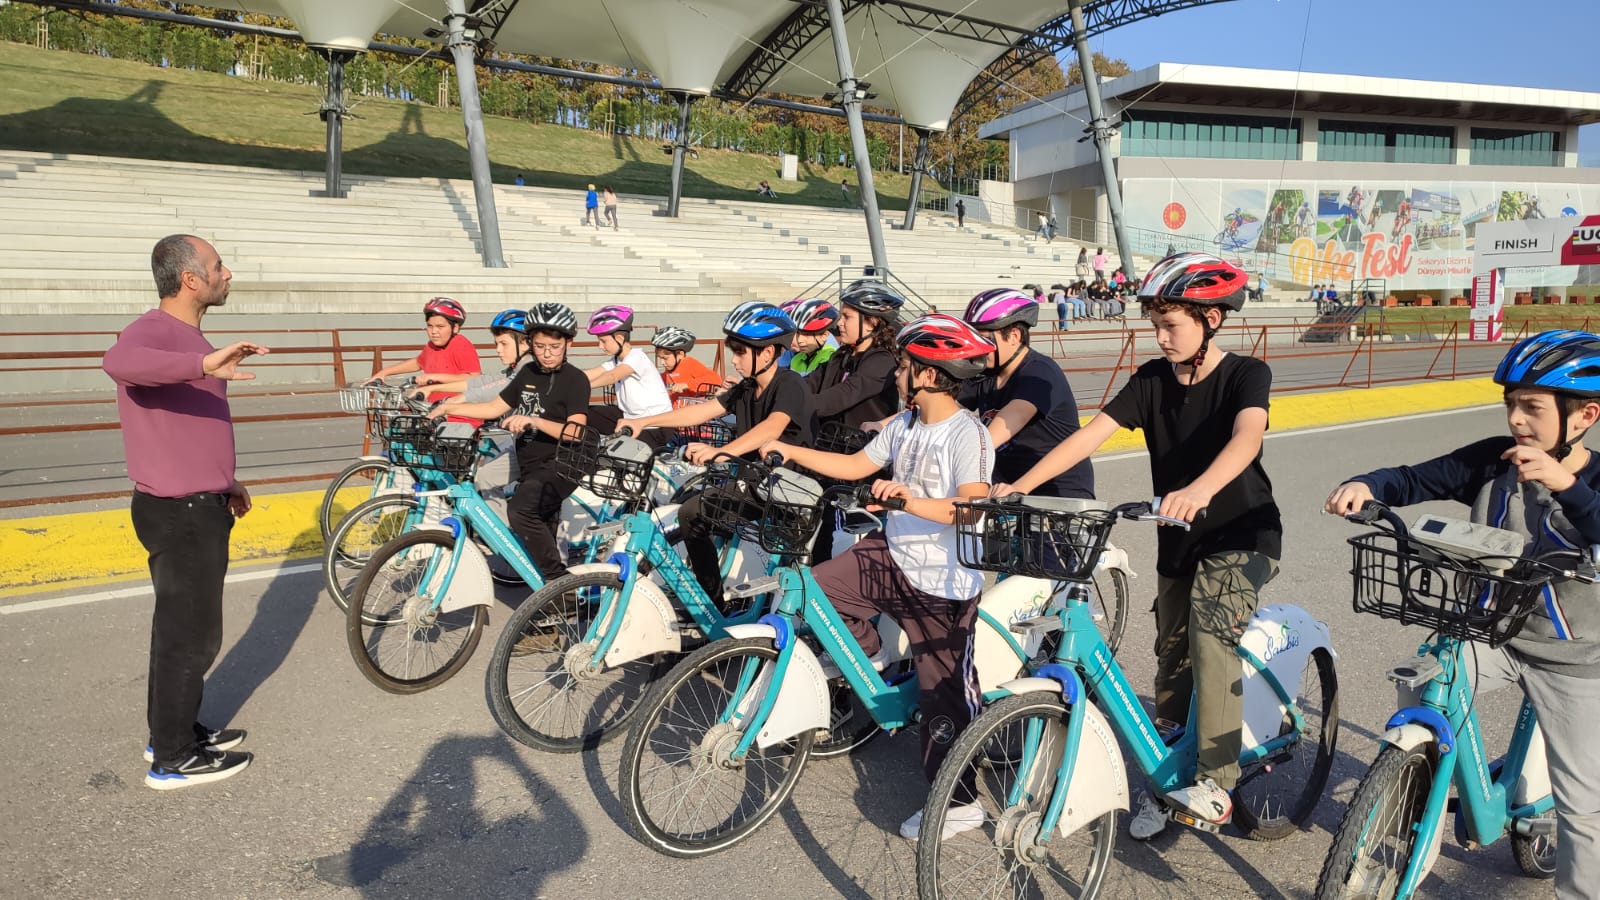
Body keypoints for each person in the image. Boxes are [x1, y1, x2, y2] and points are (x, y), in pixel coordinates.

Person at [995, 252, 1281, 838]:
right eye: (1155, 324)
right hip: (1179, 537)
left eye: (1171, 325)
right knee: (1171, 659)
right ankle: (1168, 780)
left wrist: (1200, 489)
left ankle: (1215, 781)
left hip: (1242, 532)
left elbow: (1248, 437)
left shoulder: (1246, 374)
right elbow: (1089, 436)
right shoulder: (1151, 380)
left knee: (1209, 629)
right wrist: (1019, 487)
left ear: (1213, 320)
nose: (1160, 336)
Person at [1325, 329, 1600, 899]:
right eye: (1510, 405)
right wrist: (1366, 484)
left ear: (1584, 416)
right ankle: (1421, 783)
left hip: (1577, 656)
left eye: (1532, 407)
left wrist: (1569, 487)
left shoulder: (1591, 478)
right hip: (1495, 632)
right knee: (1424, 676)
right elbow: (1416, 477)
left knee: (1585, 809)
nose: (1516, 419)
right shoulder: (1492, 462)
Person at [762, 314, 997, 840]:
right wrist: (792, 452)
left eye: (906, 367)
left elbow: (973, 508)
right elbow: (855, 466)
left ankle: (960, 803)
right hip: (890, 555)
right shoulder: (904, 423)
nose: (898, 374)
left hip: (943, 582)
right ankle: (868, 652)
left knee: (944, 703)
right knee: (813, 591)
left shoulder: (968, 434)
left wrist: (909, 498)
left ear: (931, 375)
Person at [103, 234, 262, 789]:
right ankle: (172, 758)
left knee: (186, 631)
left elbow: (186, 427)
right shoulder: (153, 331)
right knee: (189, 637)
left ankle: (172, 730)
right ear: (191, 279)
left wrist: (226, 481)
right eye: (219, 266)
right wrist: (202, 361)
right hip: (179, 511)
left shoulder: (187, 338)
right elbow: (117, 360)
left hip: (200, 499)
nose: (228, 274)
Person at [618, 302, 812, 606]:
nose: (734, 360)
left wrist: (722, 451)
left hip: (785, 491)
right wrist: (644, 421)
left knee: (692, 513)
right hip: (754, 483)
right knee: (690, 508)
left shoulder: (790, 384)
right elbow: (702, 411)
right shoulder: (746, 387)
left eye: (740, 352)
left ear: (768, 352)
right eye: (733, 351)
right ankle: (710, 599)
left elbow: (773, 427)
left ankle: (711, 603)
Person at [426, 303, 590, 584]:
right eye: (539, 346)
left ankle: (558, 585)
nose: (546, 354)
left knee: (521, 510)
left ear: (568, 343)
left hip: (560, 462)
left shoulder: (576, 380)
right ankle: (548, 596)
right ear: (530, 343)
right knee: (542, 531)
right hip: (527, 459)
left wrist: (534, 421)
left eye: (554, 346)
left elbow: (575, 433)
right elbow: (493, 407)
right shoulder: (528, 374)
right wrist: (448, 408)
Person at [959, 287, 1094, 501]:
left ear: (1014, 336)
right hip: (1008, 495)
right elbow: (942, 405)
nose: (978, 348)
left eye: (984, 338)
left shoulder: (1039, 372)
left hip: (1057, 497)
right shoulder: (985, 374)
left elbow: (1009, 421)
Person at [807, 280, 903, 431]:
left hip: (859, 448)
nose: (839, 323)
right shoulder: (842, 354)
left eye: (847, 317)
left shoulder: (881, 361)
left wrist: (795, 405)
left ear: (871, 323)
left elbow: (842, 396)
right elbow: (811, 381)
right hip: (828, 442)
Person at [367, 298, 482, 422]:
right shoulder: (431, 346)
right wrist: (385, 372)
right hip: (433, 412)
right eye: (430, 326)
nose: (434, 331)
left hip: (460, 417)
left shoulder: (461, 345)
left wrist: (433, 377)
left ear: (455, 328)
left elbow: (474, 379)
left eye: (440, 326)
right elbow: (418, 362)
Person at [583, 305, 673, 441]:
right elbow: (590, 374)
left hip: (655, 428)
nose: (600, 346)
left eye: (603, 341)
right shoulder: (615, 360)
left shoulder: (637, 357)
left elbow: (612, 376)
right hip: (630, 418)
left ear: (619, 338)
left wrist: (583, 387)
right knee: (583, 413)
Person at [651, 326, 723, 400]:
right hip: (675, 409)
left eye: (665, 358)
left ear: (680, 354)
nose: (662, 362)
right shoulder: (668, 372)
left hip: (692, 408)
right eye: (660, 358)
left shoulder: (689, 363)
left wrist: (687, 384)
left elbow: (716, 379)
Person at [785, 298, 839, 375]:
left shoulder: (831, 359)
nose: (800, 340)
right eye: (797, 333)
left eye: (807, 334)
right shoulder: (796, 359)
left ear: (824, 335)